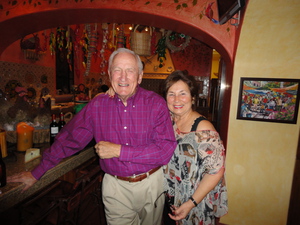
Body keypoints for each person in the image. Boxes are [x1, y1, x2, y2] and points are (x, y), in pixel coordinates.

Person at [7, 48, 177, 225]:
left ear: (140, 76)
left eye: (130, 70)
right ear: (110, 75)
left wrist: (119, 151)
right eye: (117, 70)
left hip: (151, 184)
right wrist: (37, 172)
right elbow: (69, 140)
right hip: (116, 188)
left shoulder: (156, 104)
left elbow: (164, 151)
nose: (123, 77)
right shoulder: (98, 105)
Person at [162, 70, 228, 225]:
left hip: (195, 201)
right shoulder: (168, 120)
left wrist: (191, 203)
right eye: (171, 94)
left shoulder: (203, 128)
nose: (176, 99)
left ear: (192, 98)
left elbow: (215, 172)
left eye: (182, 93)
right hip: (171, 196)